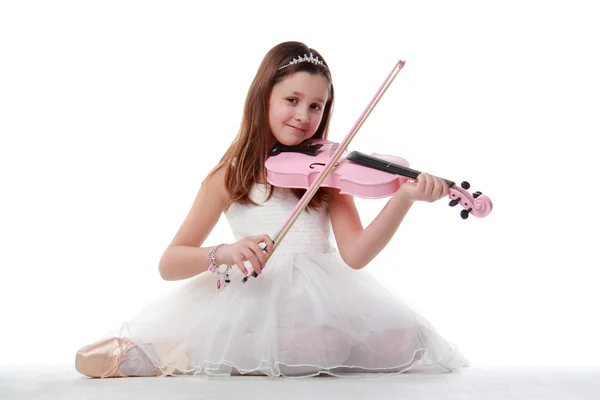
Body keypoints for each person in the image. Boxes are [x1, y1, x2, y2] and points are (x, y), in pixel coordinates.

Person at [75, 41, 469, 378]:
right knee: (321, 345)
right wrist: (226, 252)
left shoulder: (327, 175)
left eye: (316, 106)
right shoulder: (229, 176)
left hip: (324, 296)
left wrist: (402, 198)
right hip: (252, 297)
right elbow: (169, 263)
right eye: (292, 100)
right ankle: (181, 351)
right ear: (264, 97)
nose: (303, 116)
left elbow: (356, 254)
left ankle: (248, 354)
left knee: (404, 337)